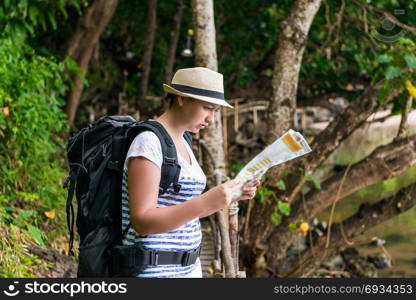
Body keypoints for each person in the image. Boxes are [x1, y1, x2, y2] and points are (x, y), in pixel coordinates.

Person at [121, 67, 260, 278]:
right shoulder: (148, 142)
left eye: (215, 111)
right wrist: (205, 202)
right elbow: (142, 222)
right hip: (154, 271)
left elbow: (183, 209)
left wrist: (229, 196)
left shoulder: (185, 140)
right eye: (207, 108)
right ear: (182, 99)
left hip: (189, 268)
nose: (211, 119)